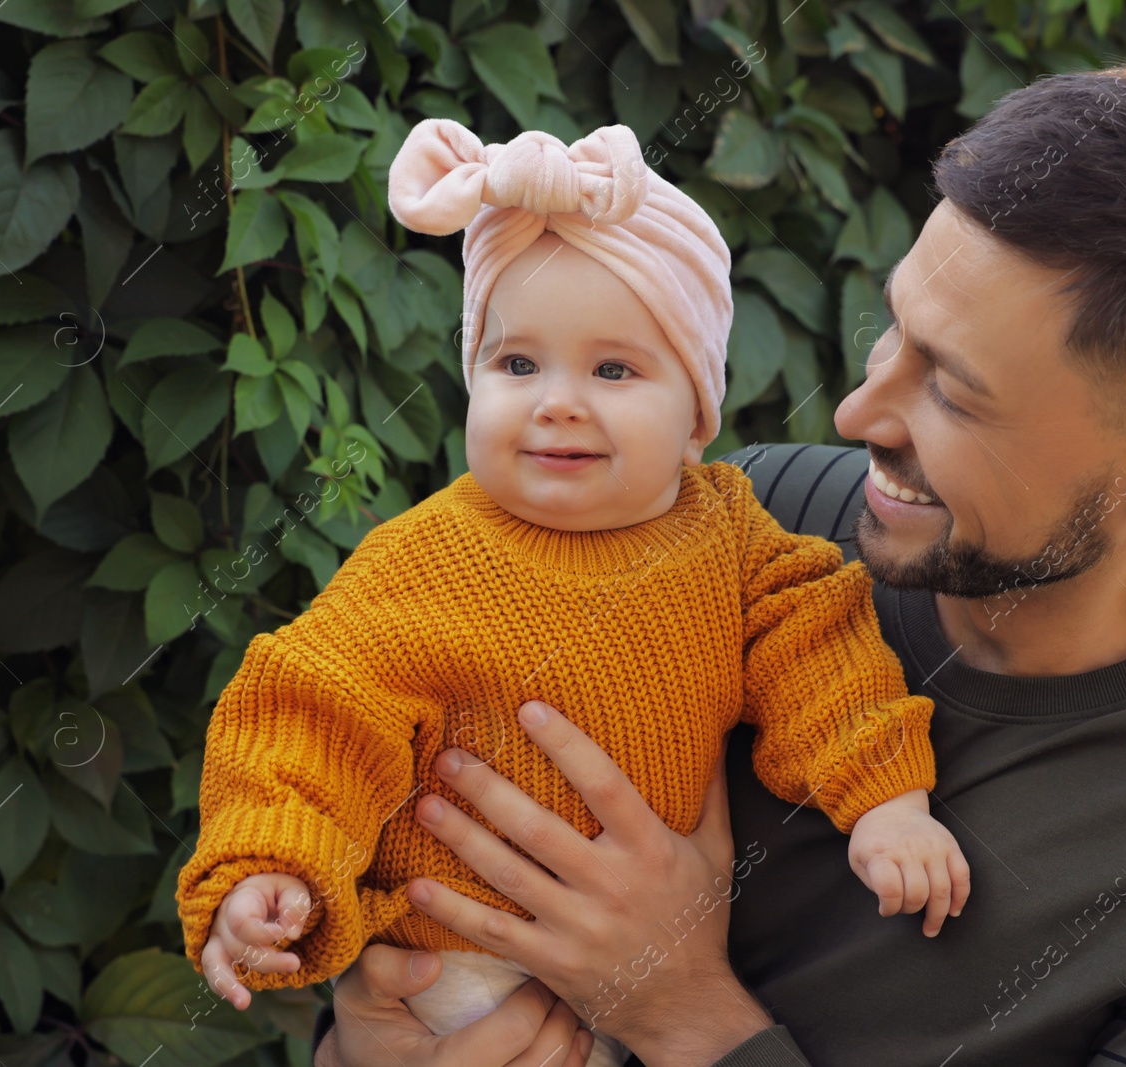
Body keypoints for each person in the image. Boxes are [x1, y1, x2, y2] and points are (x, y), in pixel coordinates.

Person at [307, 54, 1126, 1067]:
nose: (853, 410)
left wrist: (687, 1013)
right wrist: (368, 1029)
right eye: (894, 330)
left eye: (952, 388)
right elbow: (403, 820)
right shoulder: (748, 524)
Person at [175, 119, 972, 1067]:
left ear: (696, 418)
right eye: (516, 364)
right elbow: (311, 712)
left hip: (636, 1004)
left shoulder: (732, 539)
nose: (556, 399)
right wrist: (273, 861)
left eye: (613, 369)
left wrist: (887, 798)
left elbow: (821, 650)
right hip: (451, 980)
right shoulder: (421, 560)